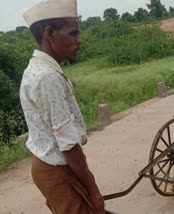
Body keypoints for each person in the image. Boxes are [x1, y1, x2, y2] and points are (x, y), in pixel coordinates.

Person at [20, 0, 105, 213]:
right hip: (57, 168)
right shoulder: (47, 76)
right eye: (73, 33)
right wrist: (93, 189)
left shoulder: (38, 68)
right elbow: (69, 145)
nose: (79, 41)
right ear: (50, 34)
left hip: (47, 164)